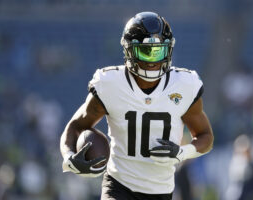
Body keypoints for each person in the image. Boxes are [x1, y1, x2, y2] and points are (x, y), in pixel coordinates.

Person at [60, 11, 214, 200]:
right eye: (145, 52)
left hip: (160, 191)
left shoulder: (184, 85)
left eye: (158, 52)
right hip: (118, 184)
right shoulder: (111, 83)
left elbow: (206, 136)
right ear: (129, 51)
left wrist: (182, 153)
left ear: (168, 50)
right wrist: (69, 156)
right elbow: (76, 126)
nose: (153, 62)